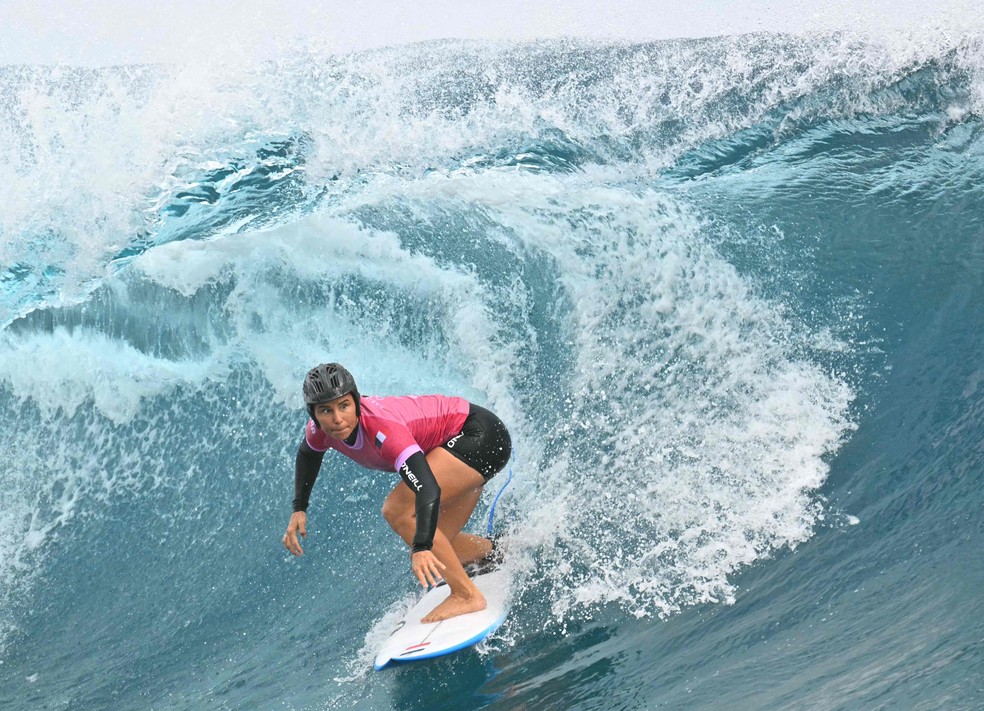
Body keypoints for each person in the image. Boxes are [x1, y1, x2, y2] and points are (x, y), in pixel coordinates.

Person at [282, 363, 511, 623]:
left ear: (356, 402)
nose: (337, 418)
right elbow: (308, 454)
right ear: (313, 415)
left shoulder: (383, 429)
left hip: (480, 436)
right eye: (326, 411)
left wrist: (421, 547)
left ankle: (467, 595)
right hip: (458, 444)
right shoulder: (319, 431)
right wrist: (299, 507)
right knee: (441, 548)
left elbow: (427, 488)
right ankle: (494, 551)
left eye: (344, 406)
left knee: (398, 512)